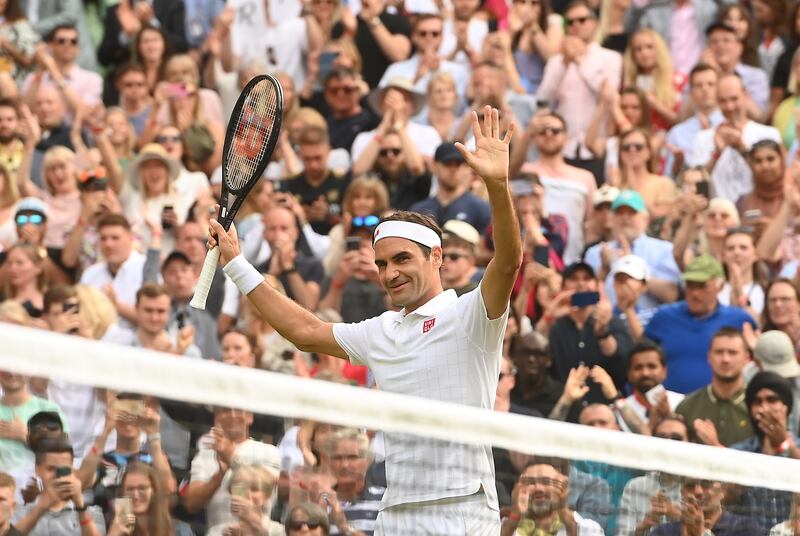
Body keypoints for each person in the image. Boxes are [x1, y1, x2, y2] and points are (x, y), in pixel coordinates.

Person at [210, 106, 521, 533]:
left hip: (464, 508)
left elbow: (507, 262)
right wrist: (237, 264)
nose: (390, 273)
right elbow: (305, 331)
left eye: (402, 259)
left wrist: (497, 186)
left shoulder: (471, 313)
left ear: (437, 257)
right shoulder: (381, 330)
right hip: (396, 514)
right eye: (381, 263)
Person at [644, 255, 756, 394]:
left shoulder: (739, 319)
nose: (695, 293)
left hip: (724, 403)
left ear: (720, 287)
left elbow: (757, 361)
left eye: (702, 286)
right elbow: (642, 357)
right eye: (690, 285)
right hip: (671, 407)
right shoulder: (664, 317)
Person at [536, 0, 622, 179]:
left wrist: (579, 61)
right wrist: (564, 64)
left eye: (582, 20)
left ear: (594, 22)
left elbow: (608, 94)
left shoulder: (611, 58)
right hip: (563, 147)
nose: (576, 25)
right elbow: (543, 100)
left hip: (596, 146)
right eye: (570, 22)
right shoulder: (556, 62)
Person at [584, 190, 680, 326]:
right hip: (607, 327)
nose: (625, 218)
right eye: (619, 213)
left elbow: (672, 295)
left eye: (631, 212)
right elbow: (581, 301)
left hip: (651, 326)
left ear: (645, 218)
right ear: (611, 219)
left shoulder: (664, 249)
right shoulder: (595, 253)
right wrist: (603, 274)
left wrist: (632, 266)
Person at [183, 407, 281, 534]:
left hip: (261, 531)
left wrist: (232, 458)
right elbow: (191, 504)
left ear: (250, 417)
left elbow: (267, 483)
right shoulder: (205, 455)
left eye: (239, 410)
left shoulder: (268, 451)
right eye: (225, 410)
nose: (233, 415)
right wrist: (219, 475)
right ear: (216, 417)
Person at [688, 73, 781, 204]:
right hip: (718, 215)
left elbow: (776, 180)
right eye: (723, 101)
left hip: (756, 210)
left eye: (734, 99)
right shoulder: (703, 137)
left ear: (745, 95)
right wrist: (716, 154)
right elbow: (694, 185)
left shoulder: (768, 134)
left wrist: (743, 150)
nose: (729, 106)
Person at [730, 371, 799, 531]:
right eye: (757, 402)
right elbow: (727, 499)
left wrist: (784, 445)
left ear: (785, 406)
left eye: (772, 400)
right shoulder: (739, 452)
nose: (764, 408)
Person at [675, 327, 754, 447]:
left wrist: (714, 445)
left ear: (747, 358)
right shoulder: (688, 406)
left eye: (732, 353)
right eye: (719, 352)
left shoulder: (758, 405)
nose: (725, 359)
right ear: (709, 357)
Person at [12, 437, 105, 535]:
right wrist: (41, 507)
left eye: (64, 470)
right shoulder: (18, 513)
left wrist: (81, 506)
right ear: (38, 470)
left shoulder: (92, 513)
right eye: (51, 469)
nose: (57, 476)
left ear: (72, 469)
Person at [616, 417, 689, 536]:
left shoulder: (699, 487)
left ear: (690, 443)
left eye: (676, 438)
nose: (668, 443)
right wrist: (643, 526)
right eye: (662, 437)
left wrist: (675, 514)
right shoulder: (635, 486)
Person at [501, 457, 604, 536]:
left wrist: (564, 513)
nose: (538, 488)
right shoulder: (499, 525)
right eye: (530, 482)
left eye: (546, 482)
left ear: (565, 486)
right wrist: (514, 516)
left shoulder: (589, 529)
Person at [379, 14, 469, 104]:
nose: (429, 38)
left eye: (435, 34)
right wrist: (417, 78)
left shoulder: (458, 71)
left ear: (441, 37)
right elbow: (381, 103)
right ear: (414, 37)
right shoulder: (396, 69)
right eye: (423, 33)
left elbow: (461, 108)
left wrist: (438, 73)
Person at [0, 371, 67, 492]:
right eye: (6, 367)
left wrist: (27, 435)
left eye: (18, 366)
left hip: (41, 495)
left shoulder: (48, 409)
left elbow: (63, 458)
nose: (12, 372)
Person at [281, 126, 350, 236]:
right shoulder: (288, 185)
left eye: (318, 158)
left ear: (328, 151)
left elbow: (354, 221)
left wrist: (330, 216)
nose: (313, 165)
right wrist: (299, 215)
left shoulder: (345, 182)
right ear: (299, 155)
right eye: (307, 159)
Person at [79, 214, 145, 328]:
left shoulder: (146, 269)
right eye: (103, 238)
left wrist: (115, 305)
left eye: (115, 238)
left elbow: (155, 321)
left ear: (130, 238)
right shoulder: (90, 274)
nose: (108, 244)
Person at [410, 141, 491, 234]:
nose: (453, 169)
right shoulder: (419, 210)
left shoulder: (480, 208)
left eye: (458, 164)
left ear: (465, 167)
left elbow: (485, 246)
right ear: (434, 165)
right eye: (447, 163)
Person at [322, 428, 385, 535]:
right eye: (338, 458)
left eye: (352, 457)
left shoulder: (383, 500)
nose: (344, 465)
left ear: (368, 460)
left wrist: (344, 527)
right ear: (329, 462)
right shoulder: (321, 501)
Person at [665, 64, 723, 178]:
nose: (705, 89)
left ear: (720, 88)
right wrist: (678, 165)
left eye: (711, 84)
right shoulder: (677, 133)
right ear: (691, 91)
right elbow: (669, 179)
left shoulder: (730, 128)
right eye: (698, 85)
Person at [650, 477, 761, 535]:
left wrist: (702, 533)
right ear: (682, 492)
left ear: (722, 490)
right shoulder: (663, 532)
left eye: (706, 484)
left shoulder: (745, 527)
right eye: (690, 485)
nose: (698, 491)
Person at [107, 461, 192, 536]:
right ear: (122, 494)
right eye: (130, 489)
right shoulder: (114, 529)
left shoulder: (181, 531)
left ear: (154, 491)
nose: (136, 495)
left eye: (142, 488)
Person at [623, 340, 685, 429]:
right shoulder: (620, 412)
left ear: (664, 371)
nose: (645, 373)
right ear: (629, 374)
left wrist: (668, 415)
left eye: (652, 366)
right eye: (638, 367)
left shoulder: (682, 403)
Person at [323, 67, 380, 153]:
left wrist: (365, 97)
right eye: (334, 91)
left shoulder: (371, 120)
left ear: (357, 91)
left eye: (347, 90)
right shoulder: (324, 126)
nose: (340, 94)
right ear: (326, 95)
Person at [508, 332, 564, 417]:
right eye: (525, 353)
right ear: (513, 356)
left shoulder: (560, 395)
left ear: (549, 359)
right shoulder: (503, 389)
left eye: (538, 354)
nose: (531, 359)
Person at [440, 220, 481, 296]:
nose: (446, 260)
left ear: (471, 261)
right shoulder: (433, 294)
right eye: (442, 256)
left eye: (454, 257)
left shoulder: (477, 295)